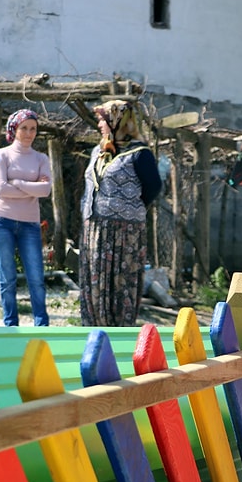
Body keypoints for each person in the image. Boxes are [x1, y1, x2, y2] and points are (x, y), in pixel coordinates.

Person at [79, 99, 162, 327]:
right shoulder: (100, 150)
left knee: (119, 282)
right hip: (95, 230)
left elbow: (153, 187)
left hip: (123, 233)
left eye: (103, 121)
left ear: (118, 122)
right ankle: (93, 329)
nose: (99, 126)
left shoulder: (140, 154)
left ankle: (117, 332)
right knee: (94, 281)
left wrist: (127, 210)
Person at [0, 109, 53, 326]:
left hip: (30, 225)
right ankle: (10, 325)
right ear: (14, 129)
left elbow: (45, 191)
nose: (28, 133)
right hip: (2, 222)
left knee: (36, 278)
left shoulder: (41, 158)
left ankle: (42, 325)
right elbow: (0, 189)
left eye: (33, 128)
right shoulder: (1, 155)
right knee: (7, 278)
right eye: (24, 128)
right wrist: (32, 188)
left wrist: (17, 183)